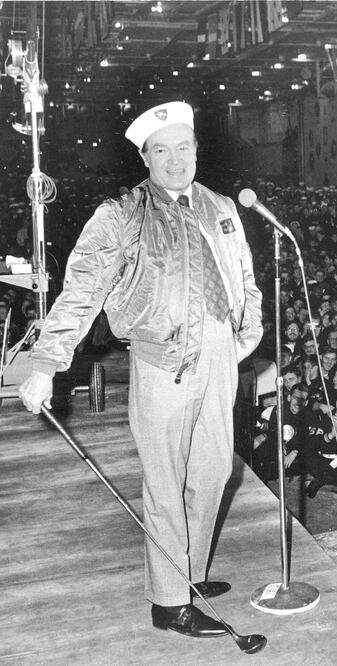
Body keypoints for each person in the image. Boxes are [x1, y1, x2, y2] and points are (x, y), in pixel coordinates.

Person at [18, 101, 263, 638]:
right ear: (145, 157)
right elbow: (81, 290)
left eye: (183, 147)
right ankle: (170, 603)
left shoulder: (220, 205)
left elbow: (243, 274)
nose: (174, 159)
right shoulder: (123, 213)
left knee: (214, 472)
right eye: (161, 151)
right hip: (163, 364)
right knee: (166, 484)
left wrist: (246, 334)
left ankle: (190, 574)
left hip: (220, 359)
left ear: (197, 149)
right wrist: (45, 362)